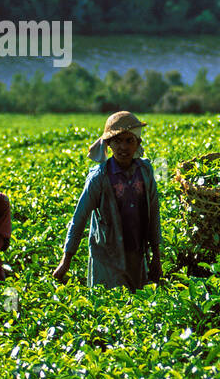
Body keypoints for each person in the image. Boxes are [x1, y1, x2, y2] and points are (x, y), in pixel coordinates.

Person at [53, 111, 162, 290]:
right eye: (117, 141)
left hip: (137, 255)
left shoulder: (145, 172)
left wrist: (156, 257)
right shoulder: (99, 178)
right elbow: (79, 218)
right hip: (106, 258)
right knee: (109, 305)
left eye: (129, 141)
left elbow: (153, 214)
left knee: (136, 309)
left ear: (138, 144)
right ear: (109, 144)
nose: (123, 147)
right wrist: (66, 261)